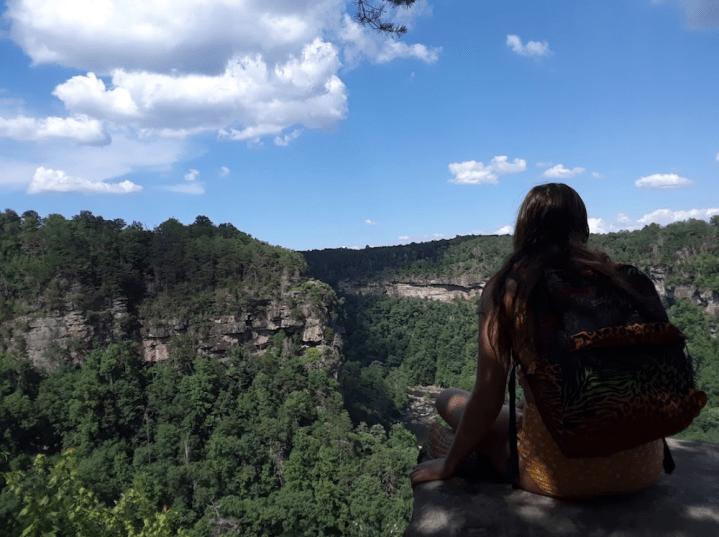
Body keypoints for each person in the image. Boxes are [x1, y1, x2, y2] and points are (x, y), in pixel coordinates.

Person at [409, 183, 665, 498]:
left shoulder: (510, 289)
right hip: (644, 464)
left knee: (448, 400)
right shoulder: (623, 279)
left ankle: (477, 454)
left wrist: (448, 465)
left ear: (524, 230)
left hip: (562, 473)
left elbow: (488, 399)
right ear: (583, 228)